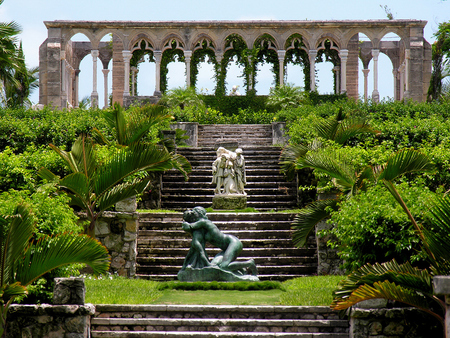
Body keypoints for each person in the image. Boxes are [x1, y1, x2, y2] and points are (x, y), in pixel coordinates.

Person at [181, 207, 257, 275]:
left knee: (224, 267)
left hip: (233, 243)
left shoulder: (204, 222)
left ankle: (249, 263)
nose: (193, 215)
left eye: (194, 213)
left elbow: (190, 226)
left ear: (199, 213)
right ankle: (240, 269)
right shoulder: (201, 228)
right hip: (226, 247)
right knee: (216, 266)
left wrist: (186, 224)